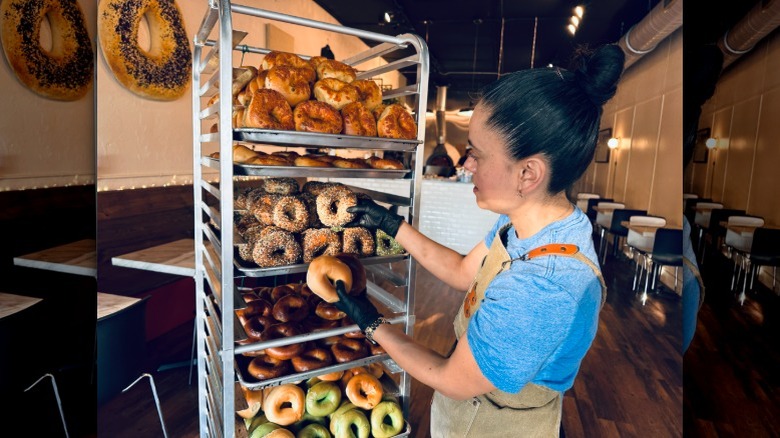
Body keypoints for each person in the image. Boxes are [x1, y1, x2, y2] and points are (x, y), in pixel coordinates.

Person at [336, 44, 625, 436]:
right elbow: (462, 271)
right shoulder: (524, 225)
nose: (465, 165)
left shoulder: (545, 285)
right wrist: (391, 225)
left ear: (528, 174)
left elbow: (452, 378)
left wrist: (371, 322)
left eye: (476, 154)